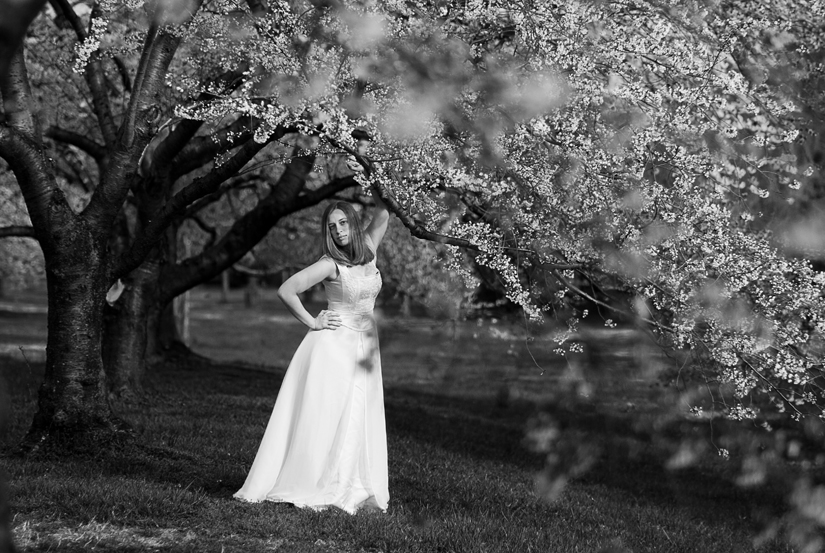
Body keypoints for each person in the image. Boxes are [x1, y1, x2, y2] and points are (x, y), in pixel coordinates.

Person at [234, 194, 390, 514]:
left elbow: (385, 213)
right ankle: (318, 481)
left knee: (360, 413)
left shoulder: (370, 251)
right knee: (328, 415)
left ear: (354, 223)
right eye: (332, 227)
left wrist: (380, 170)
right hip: (335, 345)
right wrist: (313, 321)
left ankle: (352, 481)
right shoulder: (329, 264)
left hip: (366, 346)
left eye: (343, 223)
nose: (338, 231)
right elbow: (286, 289)